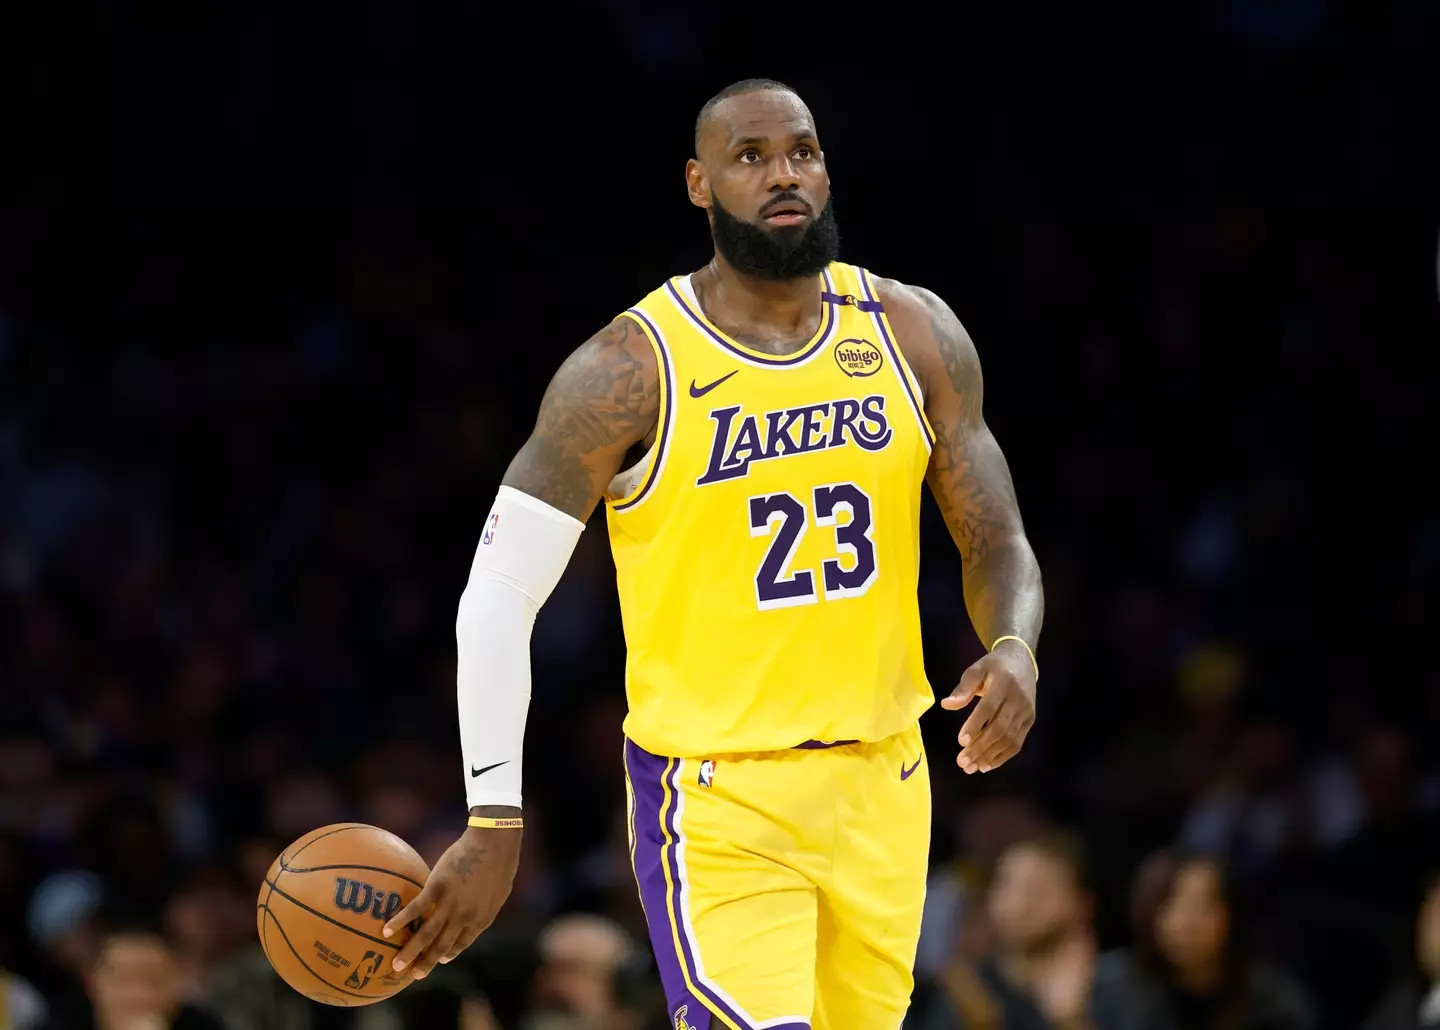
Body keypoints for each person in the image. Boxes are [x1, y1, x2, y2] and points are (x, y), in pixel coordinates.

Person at [384, 77, 1045, 1029]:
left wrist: (1016, 647)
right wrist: (493, 819)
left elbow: (1000, 541)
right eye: (750, 157)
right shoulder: (626, 369)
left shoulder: (912, 332)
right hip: (719, 802)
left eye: (803, 152)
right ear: (699, 184)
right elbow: (495, 600)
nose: (785, 176)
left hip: (886, 785)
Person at [1090, 850, 1316, 1030]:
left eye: (1202, 906)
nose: (1188, 922)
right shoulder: (1112, 989)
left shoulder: (1272, 1000)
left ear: (1228, 915)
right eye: (1171, 906)